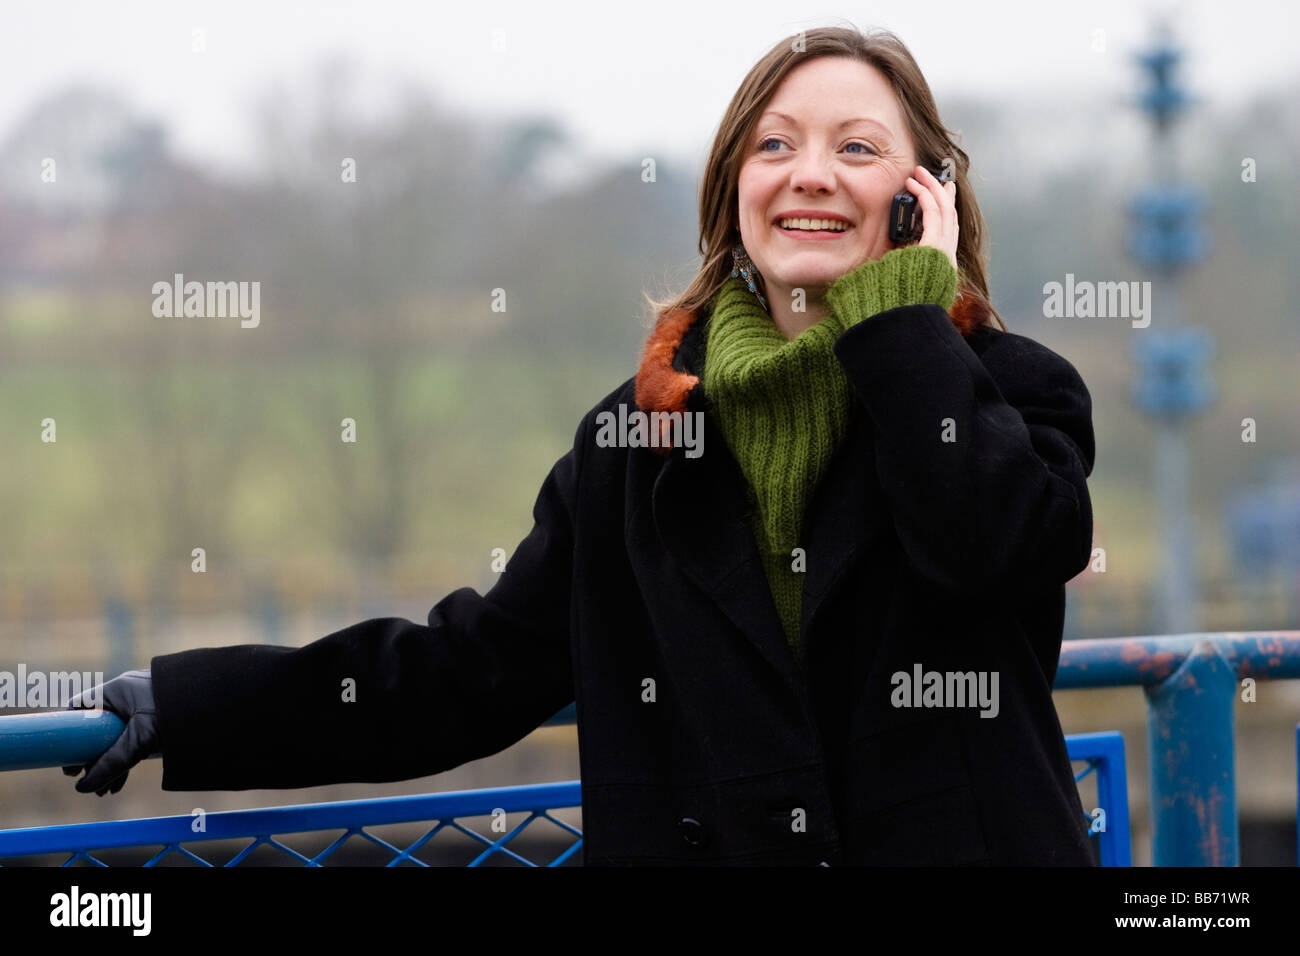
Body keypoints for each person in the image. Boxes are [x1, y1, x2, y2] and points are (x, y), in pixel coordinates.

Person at [64, 26, 1098, 866]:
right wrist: (188, 706)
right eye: (773, 145)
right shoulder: (633, 440)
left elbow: (989, 546)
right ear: (731, 194)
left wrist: (899, 321)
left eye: (857, 148)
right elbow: (465, 669)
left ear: (926, 198)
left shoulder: (1012, 394)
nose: (809, 176)